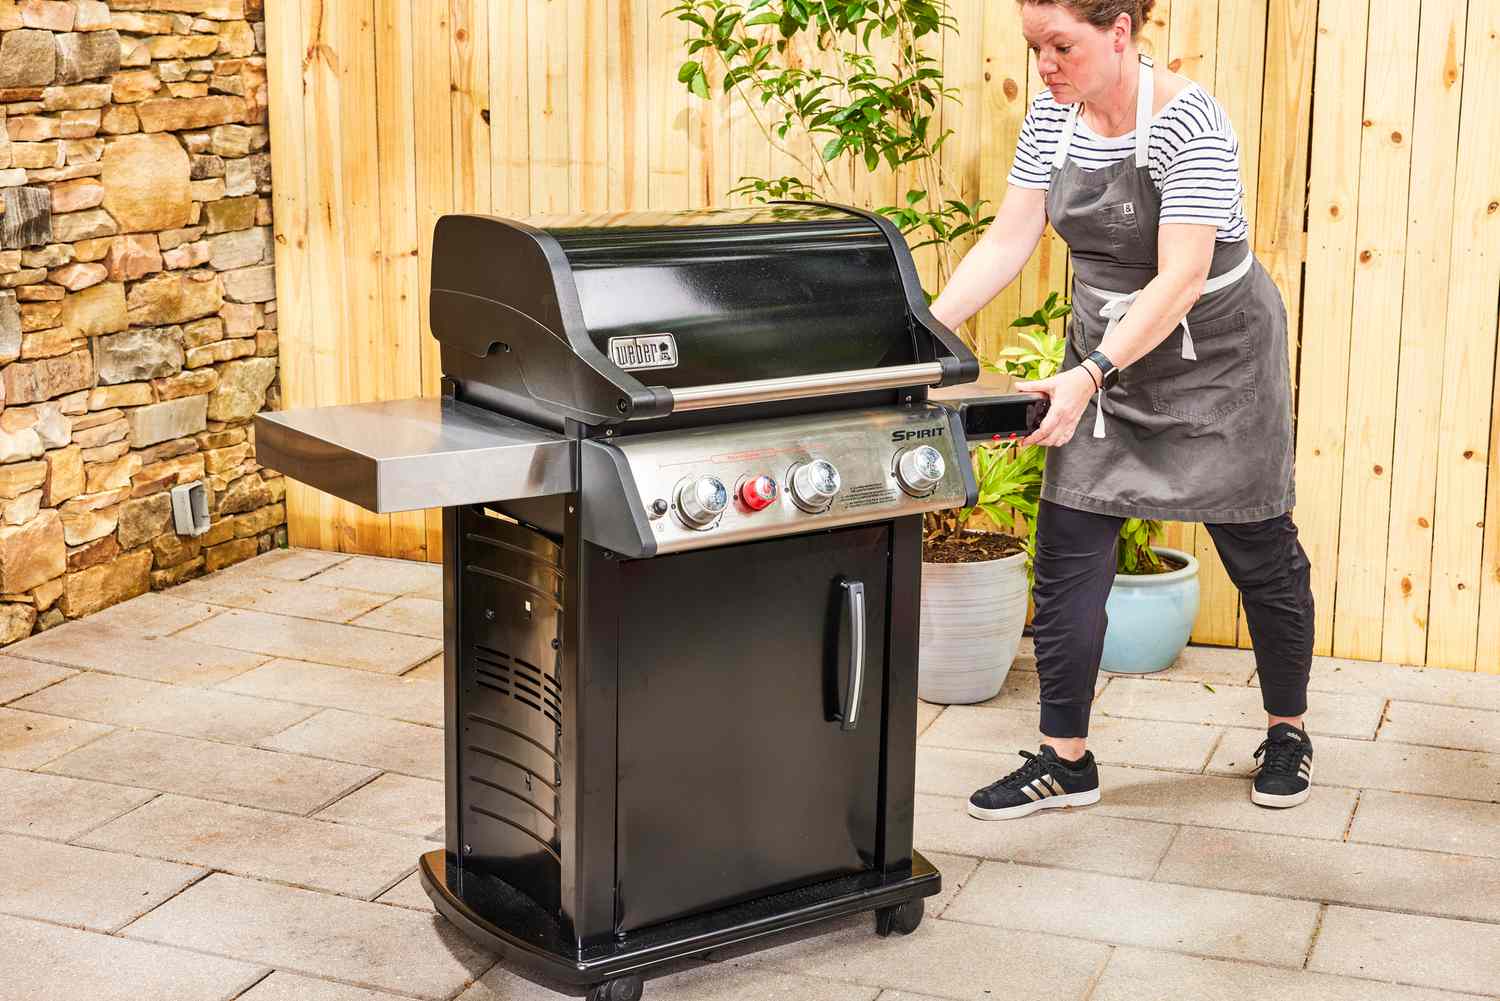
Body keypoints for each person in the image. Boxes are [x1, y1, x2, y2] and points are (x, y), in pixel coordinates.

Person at [929, 0, 1316, 819]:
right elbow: (1009, 237)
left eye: (1060, 45)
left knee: (1260, 549)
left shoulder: (1191, 122)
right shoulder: (1052, 117)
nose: (1045, 66)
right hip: (1106, 354)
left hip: (1215, 359)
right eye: (1035, 48)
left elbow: (1179, 275)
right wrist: (924, 330)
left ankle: (1288, 729)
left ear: (1120, 32)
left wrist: (1091, 372)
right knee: (1069, 543)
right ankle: (1065, 760)